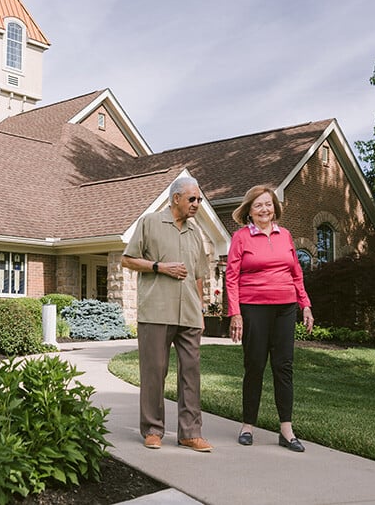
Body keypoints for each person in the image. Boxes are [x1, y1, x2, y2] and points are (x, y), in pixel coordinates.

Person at [122, 176, 213, 452]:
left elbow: (198, 275)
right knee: (153, 373)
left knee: (191, 374)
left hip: (188, 314)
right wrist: (161, 267)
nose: (197, 204)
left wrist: (200, 310)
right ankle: (152, 430)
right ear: (176, 199)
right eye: (192, 199)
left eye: (198, 199)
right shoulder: (150, 222)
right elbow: (127, 259)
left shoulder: (196, 232)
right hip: (156, 312)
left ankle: (190, 432)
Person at [226, 184, 313, 452]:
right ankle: (247, 425)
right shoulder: (241, 237)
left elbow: (296, 273)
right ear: (249, 211)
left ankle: (286, 429)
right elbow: (231, 277)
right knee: (254, 365)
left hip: (285, 308)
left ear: (275, 208)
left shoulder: (285, 235)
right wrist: (235, 313)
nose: (265, 209)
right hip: (254, 307)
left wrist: (305, 305)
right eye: (259, 205)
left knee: (283, 367)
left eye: (269, 204)